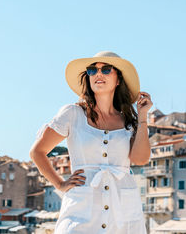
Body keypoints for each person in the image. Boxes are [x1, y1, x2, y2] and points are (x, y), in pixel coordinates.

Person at [29, 51, 152, 234]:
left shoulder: (129, 122)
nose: (98, 74)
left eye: (106, 69)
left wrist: (142, 117)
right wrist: (59, 184)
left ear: (118, 80)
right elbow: (37, 152)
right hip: (81, 211)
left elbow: (140, 159)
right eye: (92, 70)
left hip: (123, 211)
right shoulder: (72, 114)